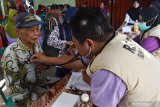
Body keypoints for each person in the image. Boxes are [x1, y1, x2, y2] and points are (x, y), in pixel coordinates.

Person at [31, 8, 160, 107]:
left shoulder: (108, 69)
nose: (73, 48)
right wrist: (46, 59)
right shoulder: (117, 39)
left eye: (75, 44)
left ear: (89, 43)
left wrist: (93, 81)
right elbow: (79, 63)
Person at [1, 13, 56, 107]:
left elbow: (42, 66)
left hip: (39, 84)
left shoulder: (36, 44)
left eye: (37, 29)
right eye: (31, 30)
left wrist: (43, 66)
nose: (37, 33)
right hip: (24, 95)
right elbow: (14, 90)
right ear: (18, 32)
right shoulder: (11, 54)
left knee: (61, 90)